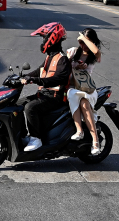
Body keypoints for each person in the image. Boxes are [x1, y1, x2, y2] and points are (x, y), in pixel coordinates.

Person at [20, 22, 72, 152]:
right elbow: (39, 71)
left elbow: (59, 78)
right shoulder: (50, 57)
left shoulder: (62, 59)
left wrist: (36, 80)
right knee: (18, 103)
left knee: (30, 108)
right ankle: (23, 135)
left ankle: (36, 138)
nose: (43, 42)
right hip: (45, 95)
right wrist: (23, 77)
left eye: (44, 38)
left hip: (55, 97)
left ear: (52, 38)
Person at [67, 29, 103, 155]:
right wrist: (75, 66)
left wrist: (85, 38)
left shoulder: (94, 56)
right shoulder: (73, 51)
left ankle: (95, 141)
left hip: (87, 89)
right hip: (72, 87)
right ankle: (79, 130)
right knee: (72, 94)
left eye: (87, 42)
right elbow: (63, 67)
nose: (83, 46)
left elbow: (97, 51)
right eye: (81, 42)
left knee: (84, 103)